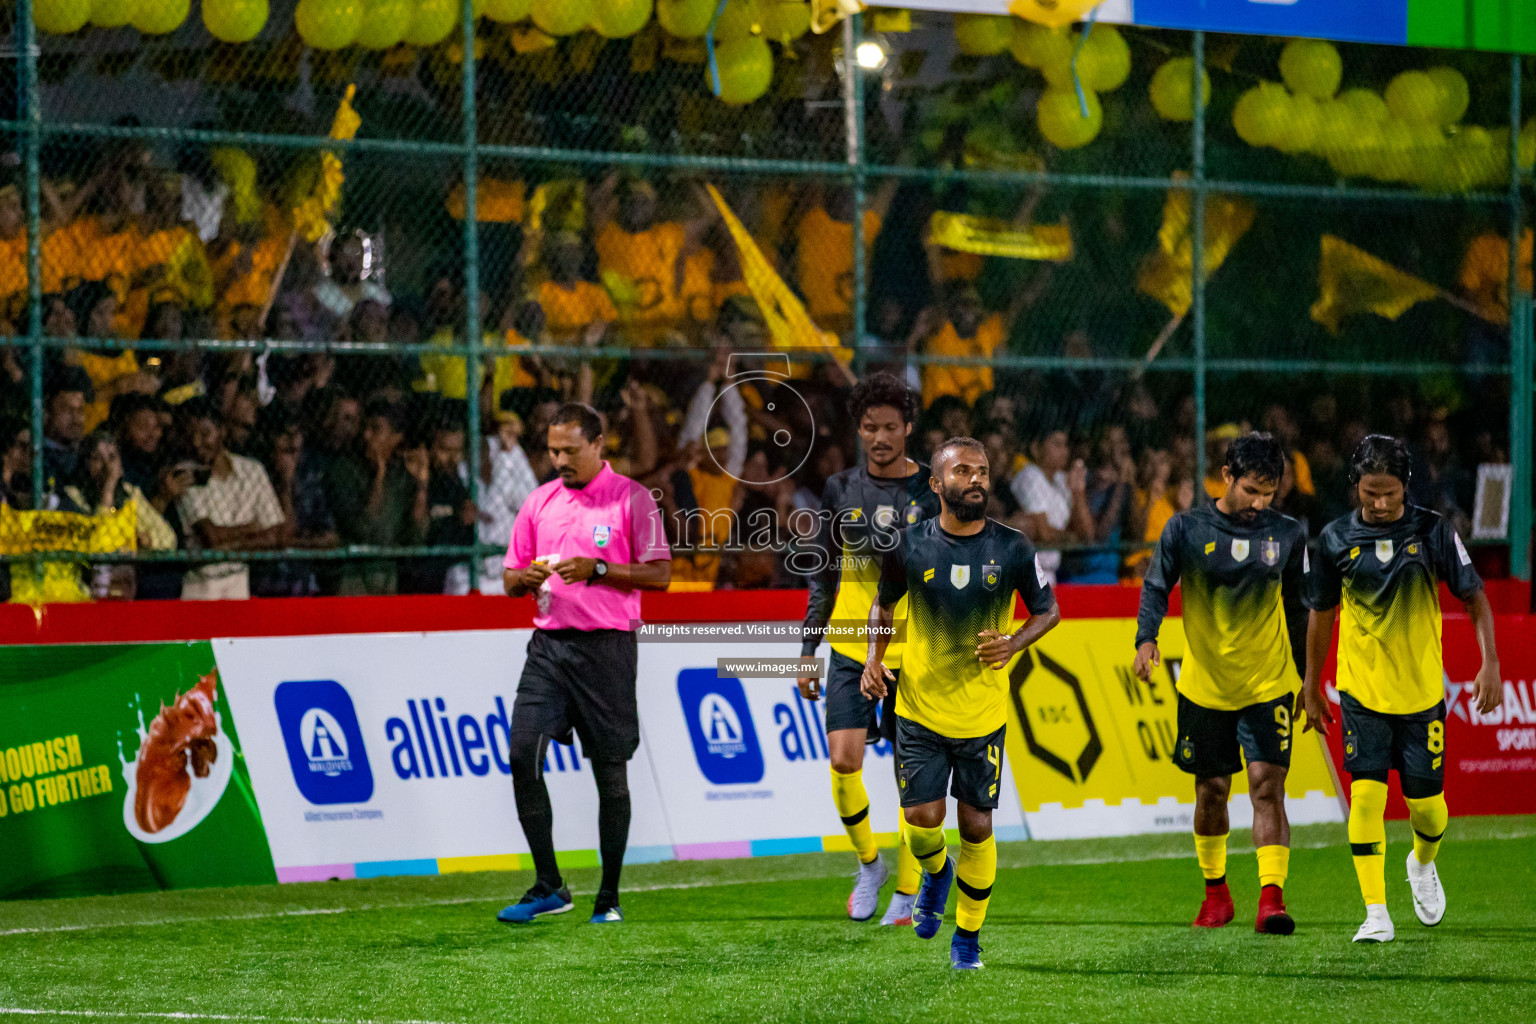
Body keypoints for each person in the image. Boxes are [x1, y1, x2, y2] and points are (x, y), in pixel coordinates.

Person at [864, 436, 1062, 969]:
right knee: (923, 821)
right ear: (937, 484)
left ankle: (968, 940)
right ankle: (936, 874)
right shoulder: (908, 546)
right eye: (963, 471)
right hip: (920, 710)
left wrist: (1014, 642)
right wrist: (872, 660)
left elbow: (1048, 611)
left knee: (976, 827)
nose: (976, 479)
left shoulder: (1015, 547)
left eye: (982, 471)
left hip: (982, 717)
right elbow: (882, 608)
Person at [1301, 434, 1501, 944]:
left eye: (1390, 492)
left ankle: (1421, 862)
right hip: (1362, 693)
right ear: (1356, 487)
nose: (1381, 502)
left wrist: (1490, 663)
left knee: (1429, 810)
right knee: (1365, 799)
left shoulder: (1433, 532)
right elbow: (1321, 616)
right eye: (1371, 492)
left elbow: (1474, 596)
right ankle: (1375, 912)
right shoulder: (1333, 540)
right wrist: (1312, 684)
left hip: (1420, 696)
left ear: (1406, 486)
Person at [498, 402, 671, 926]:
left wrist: (599, 568)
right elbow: (508, 579)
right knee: (522, 751)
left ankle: (609, 898)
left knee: (609, 775)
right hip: (549, 648)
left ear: (600, 444)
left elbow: (660, 575)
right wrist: (523, 580)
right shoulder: (538, 502)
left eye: (570, 450)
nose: (559, 460)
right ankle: (549, 884)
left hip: (607, 650)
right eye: (553, 450)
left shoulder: (632, 501)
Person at [1133, 432, 1308, 935]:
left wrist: (1306, 680)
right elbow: (1156, 585)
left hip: (1268, 682)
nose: (1259, 503)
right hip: (1204, 685)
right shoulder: (1186, 528)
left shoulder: (1289, 534)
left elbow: (1300, 610)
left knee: (1266, 787)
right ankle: (1217, 896)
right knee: (1211, 791)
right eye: (1251, 490)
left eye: (1269, 493)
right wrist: (1146, 639)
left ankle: (1271, 899)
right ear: (1226, 476)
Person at [798, 373, 940, 925]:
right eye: (867, 428)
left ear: (908, 428)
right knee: (842, 760)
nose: (878, 437)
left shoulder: (933, 491)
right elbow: (823, 574)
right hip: (852, 646)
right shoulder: (840, 489)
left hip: (916, 652)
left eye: (888, 428)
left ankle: (907, 891)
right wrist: (808, 647)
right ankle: (869, 866)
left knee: (914, 781)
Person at [177, 398, 286, 600]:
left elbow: (275, 535)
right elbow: (211, 537)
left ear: (222, 432)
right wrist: (252, 529)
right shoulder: (184, 475)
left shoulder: (252, 470)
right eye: (189, 435)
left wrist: (226, 546)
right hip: (201, 587)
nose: (196, 442)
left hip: (239, 581)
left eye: (204, 434)